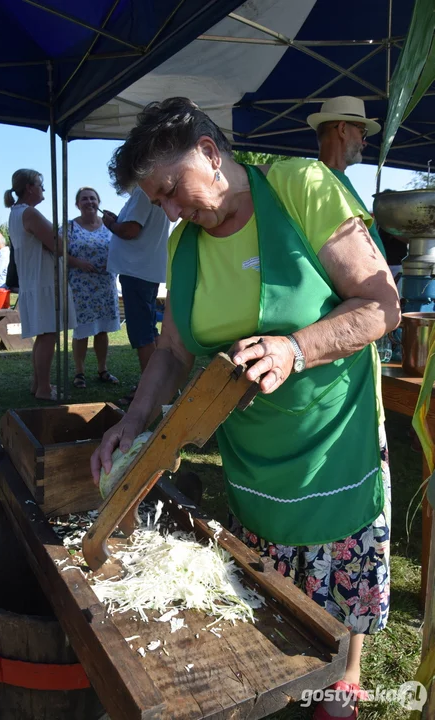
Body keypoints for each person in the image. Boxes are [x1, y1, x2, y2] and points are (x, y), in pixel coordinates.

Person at [91, 98, 401, 720]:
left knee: (338, 581)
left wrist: (296, 347)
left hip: (331, 440)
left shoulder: (301, 188)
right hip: (252, 457)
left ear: (210, 152)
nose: (173, 211)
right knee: (274, 591)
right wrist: (132, 419)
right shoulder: (184, 247)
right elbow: (173, 352)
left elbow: (380, 307)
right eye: (159, 203)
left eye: (174, 190)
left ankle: (344, 680)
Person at [5, 169, 77, 401]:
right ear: (29, 187)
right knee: (48, 335)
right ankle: (44, 389)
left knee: (44, 335)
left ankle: (38, 384)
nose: (43, 189)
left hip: (34, 281)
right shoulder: (29, 214)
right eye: (40, 184)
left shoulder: (16, 213)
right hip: (44, 280)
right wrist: (65, 233)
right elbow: (56, 245)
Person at [103, 181, 170, 404]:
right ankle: (158, 383)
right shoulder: (152, 190)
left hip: (137, 272)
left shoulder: (143, 191)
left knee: (142, 334)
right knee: (149, 331)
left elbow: (131, 230)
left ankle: (149, 390)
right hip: (145, 271)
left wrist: (111, 224)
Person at [307, 96, 386, 258]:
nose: (364, 143)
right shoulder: (317, 181)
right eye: (362, 133)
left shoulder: (326, 179)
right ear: (343, 129)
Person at [67, 187, 120, 388]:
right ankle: (79, 372)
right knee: (81, 331)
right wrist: (78, 263)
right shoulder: (70, 227)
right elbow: (59, 252)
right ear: (77, 204)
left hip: (105, 285)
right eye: (84, 199)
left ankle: (102, 369)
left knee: (102, 329)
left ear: (99, 202)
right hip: (81, 287)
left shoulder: (110, 226)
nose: (89, 202)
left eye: (92, 198)